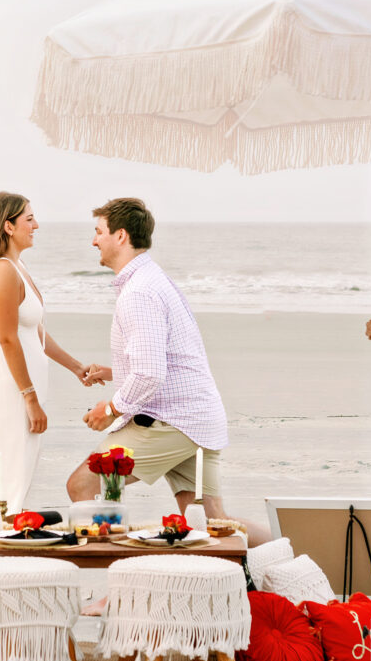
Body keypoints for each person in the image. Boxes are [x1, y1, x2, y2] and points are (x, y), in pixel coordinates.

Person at [66, 196, 270, 548]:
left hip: (170, 421)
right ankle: (292, 554)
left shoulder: (139, 292)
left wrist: (110, 409)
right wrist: (115, 372)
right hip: (197, 418)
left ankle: (117, 580)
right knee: (215, 522)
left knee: (83, 484)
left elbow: (150, 373)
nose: (93, 240)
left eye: (98, 231)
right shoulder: (151, 278)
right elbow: (166, 362)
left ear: (121, 236)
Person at [0, 192, 89, 519]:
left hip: (25, 389)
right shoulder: (2, 271)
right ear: (8, 226)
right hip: (13, 391)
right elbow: (7, 339)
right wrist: (30, 398)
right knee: (8, 464)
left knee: (21, 462)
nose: (36, 224)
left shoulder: (18, 266)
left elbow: (36, 334)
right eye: (29, 219)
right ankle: (4, 524)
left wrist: (76, 367)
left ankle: (12, 517)